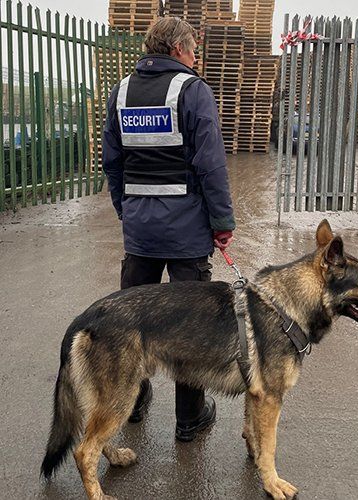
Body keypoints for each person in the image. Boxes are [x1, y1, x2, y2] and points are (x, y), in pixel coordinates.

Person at [102, 16, 235, 442]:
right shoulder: (193, 91)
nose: (196, 57)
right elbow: (210, 164)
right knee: (192, 326)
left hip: (140, 230)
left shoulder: (120, 92)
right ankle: (190, 419)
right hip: (187, 234)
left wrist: (128, 210)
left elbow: (113, 161)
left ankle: (133, 403)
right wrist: (222, 223)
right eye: (194, 49)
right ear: (178, 49)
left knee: (130, 320)